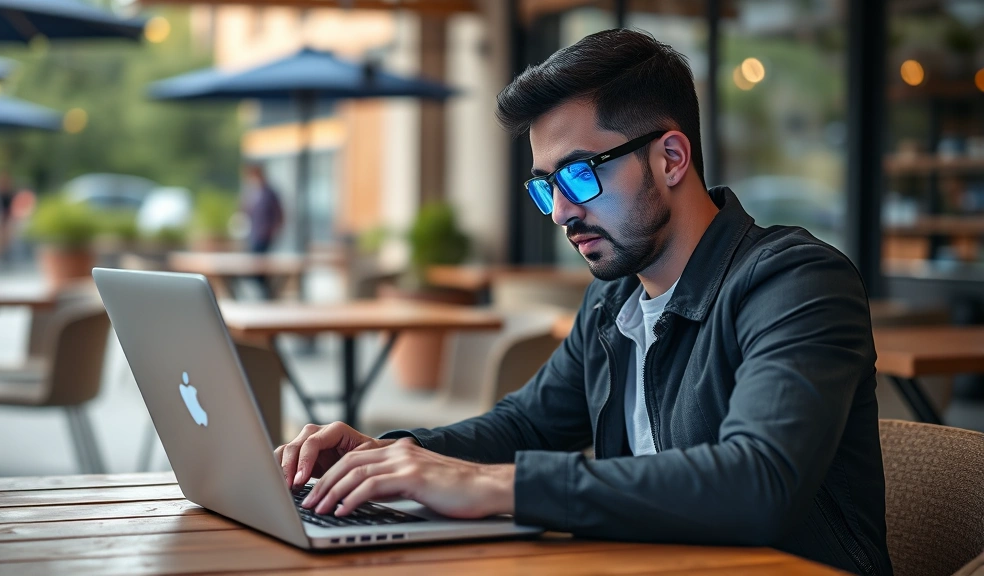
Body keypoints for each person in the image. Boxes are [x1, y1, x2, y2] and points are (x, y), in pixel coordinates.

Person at [274, 29, 891, 575]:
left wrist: (495, 486)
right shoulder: (613, 302)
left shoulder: (795, 281)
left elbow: (759, 482)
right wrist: (390, 455)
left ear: (671, 158)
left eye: (579, 174)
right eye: (546, 186)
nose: (563, 211)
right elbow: (527, 425)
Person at [240, 163, 284, 297]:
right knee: (254, 268)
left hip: (264, 236)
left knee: (258, 269)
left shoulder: (269, 193)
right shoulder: (253, 192)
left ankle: (268, 294)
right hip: (253, 235)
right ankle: (267, 294)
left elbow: (279, 215)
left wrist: (272, 231)